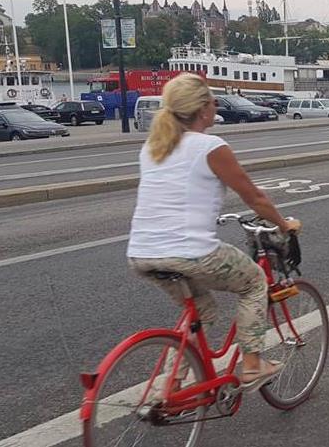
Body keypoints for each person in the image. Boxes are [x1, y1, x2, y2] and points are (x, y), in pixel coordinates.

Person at [126, 73, 301, 391]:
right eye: (212, 100)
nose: (216, 105)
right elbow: (255, 198)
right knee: (253, 282)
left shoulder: (153, 146)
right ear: (203, 108)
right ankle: (252, 365)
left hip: (142, 254)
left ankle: (171, 386)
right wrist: (282, 225)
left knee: (201, 310)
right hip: (190, 252)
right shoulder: (210, 146)